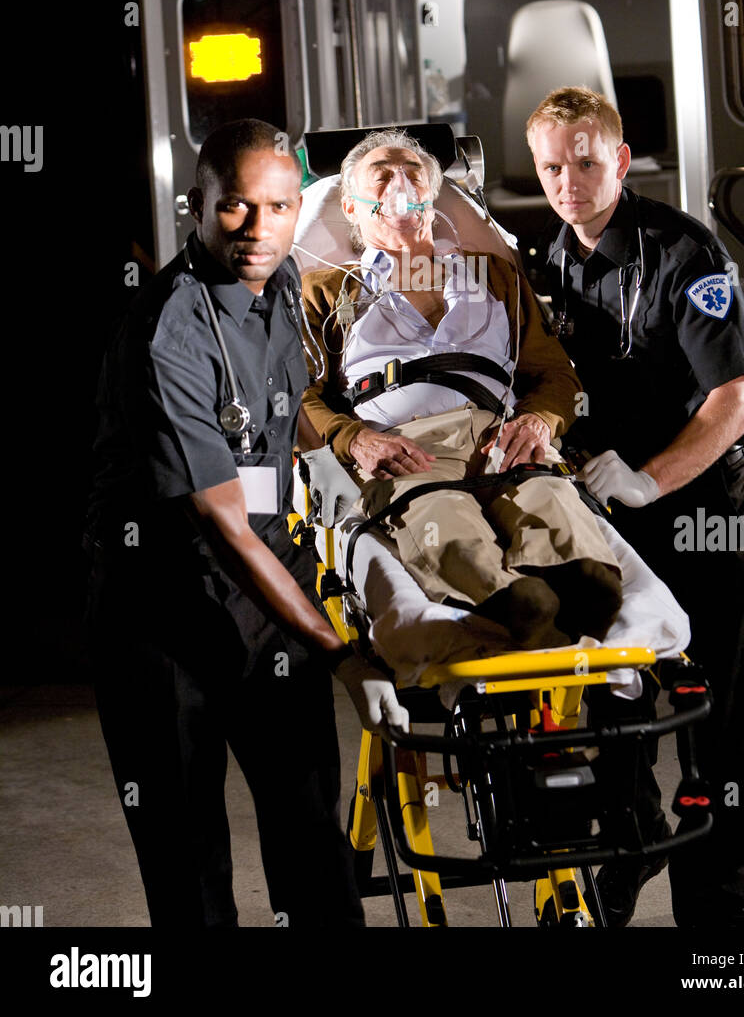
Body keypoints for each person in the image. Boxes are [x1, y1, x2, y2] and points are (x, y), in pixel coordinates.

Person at [84, 118, 407, 929]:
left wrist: (342, 437)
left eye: (279, 207)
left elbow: (278, 403)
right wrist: (341, 654)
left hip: (267, 588)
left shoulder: (283, 283)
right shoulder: (167, 333)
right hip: (163, 610)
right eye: (236, 208)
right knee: (189, 864)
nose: (259, 230)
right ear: (196, 205)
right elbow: (225, 522)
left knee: (311, 836)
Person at [527, 86, 744, 929]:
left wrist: (651, 481)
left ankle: (713, 922)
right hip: (605, 515)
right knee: (612, 702)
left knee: (707, 713)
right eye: (552, 165)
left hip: (697, 507)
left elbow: (731, 402)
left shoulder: (683, 253)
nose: (568, 181)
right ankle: (625, 856)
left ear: (620, 161)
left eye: (585, 162)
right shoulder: (542, 263)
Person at [299, 128, 625, 651]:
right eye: (381, 178)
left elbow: (554, 374)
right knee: (435, 512)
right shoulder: (329, 290)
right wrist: (353, 439)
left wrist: (540, 421)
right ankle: (508, 602)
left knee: (555, 510)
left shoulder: (493, 274)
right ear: (348, 205)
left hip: (504, 439)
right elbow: (298, 398)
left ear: (434, 192)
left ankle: (581, 587)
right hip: (408, 450)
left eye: (414, 175)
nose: (401, 188)